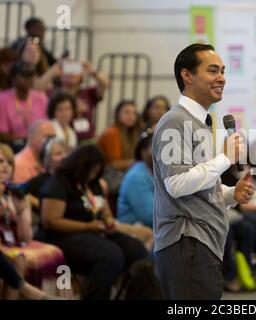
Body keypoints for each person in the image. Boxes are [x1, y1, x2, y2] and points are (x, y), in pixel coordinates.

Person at [152, 43, 254, 299]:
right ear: (187, 75)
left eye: (222, 71)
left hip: (200, 243)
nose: (221, 78)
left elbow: (197, 183)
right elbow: (176, 183)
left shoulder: (200, 122)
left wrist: (231, 194)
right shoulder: (175, 121)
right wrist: (225, 158)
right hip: (186, 242)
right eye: (212, 71)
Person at [40, 145, 149, 300]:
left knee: (137, 251)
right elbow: (50, 221)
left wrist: (108, 221)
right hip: (61, 235)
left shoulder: (93, 184)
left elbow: (103, 210)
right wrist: (87, 226)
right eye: (91, 171)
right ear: (80, 166)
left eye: (96, 171)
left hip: (92, 231)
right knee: (111, 256)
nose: (93, 175)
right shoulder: (60, 182)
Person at [0, 143, 70, 299]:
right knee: (18, 259)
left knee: (57, 253)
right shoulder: (40, 181)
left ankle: (64, 295)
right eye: (0, 162)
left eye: (9, 163)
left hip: (15, 242)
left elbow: (25, 237)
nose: (5, 166)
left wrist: (22, 210)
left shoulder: (16, 192)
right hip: (2, 246)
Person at [55, 60, 109, 143]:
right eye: (68, 70)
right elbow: (37, 87)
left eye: (74, 70)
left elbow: (105, 83)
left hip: (87, 139)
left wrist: (92, 71)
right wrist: (54, 69)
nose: (71, 74)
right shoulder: (52, 93)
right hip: (61, 140)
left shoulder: (87, 92)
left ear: (80, 76)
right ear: (60, 75)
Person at [0, 62, 48, 152]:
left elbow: (46, 126)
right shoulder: (2, 99)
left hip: (39, 144)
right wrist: (26, 139)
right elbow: (2, 134)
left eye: (31, 76)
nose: (29, 79)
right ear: (13, 78)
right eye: (24, 76)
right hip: (13, 146)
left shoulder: (41, 98)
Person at [117, 132, 154, 228]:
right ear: (143, 152)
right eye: (155, 148)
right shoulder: (137, 177)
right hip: (133, 229)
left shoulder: (154, 171)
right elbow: (149, 215)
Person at [98, 100, 141, 173]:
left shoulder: (131, 133)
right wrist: (139, 162)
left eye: (134, 113)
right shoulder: (112, 133)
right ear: (117, 114)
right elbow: (114, 164)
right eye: (127, 112)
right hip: (108, 174)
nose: (131, 116)